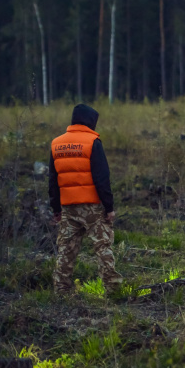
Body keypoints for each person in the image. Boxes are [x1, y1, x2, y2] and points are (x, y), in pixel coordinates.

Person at [49, 104, 122, 295]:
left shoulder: (56, 143)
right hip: (93, 208)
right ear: (90, 121)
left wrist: (56, 209)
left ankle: (61, 291)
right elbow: (102, 178)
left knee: (66, 250)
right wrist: (109, 207)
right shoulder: (92, 142)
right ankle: (113, 289)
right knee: (102, 247)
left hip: (67, 207)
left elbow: (53, 180)